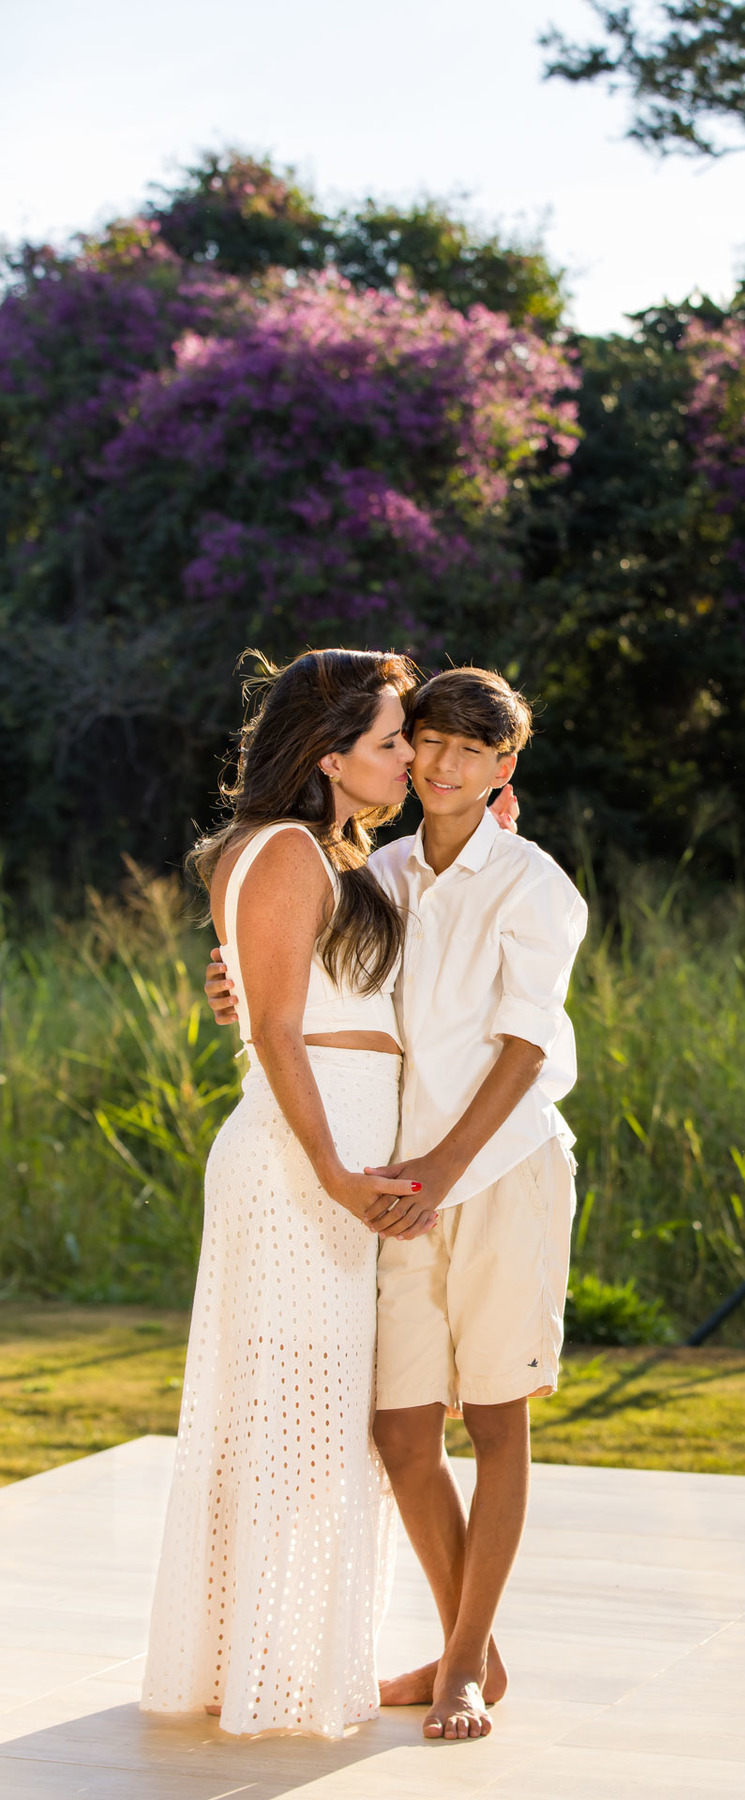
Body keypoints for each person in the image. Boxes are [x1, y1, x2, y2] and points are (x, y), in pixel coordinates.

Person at [206, 666, 587, 1744]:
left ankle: (462, 1665)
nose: (447, 766)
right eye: (430, 743)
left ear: (507, 768)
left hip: (496, 1170)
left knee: (499, 1419)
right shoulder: (383, 871)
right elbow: (321, 978)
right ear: (408, 749)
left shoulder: (537, 886)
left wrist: (440, 1168)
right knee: (402, 1430)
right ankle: (482, 1649)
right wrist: (234, 982)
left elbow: (525, 1045)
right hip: (400, 1186)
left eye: (476, 752)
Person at [142, 647, 436, 1739]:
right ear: (328, 756)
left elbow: (283, 992)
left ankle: (279, 1657)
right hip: (304, 1166)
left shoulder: (322, 853)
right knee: (292, 1424)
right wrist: (335, 1178)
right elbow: (273, 1031)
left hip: (337, 1159)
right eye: (392, 741)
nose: (408, 759)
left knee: (312, 1425)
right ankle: (268, 1670)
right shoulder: (284, 854)